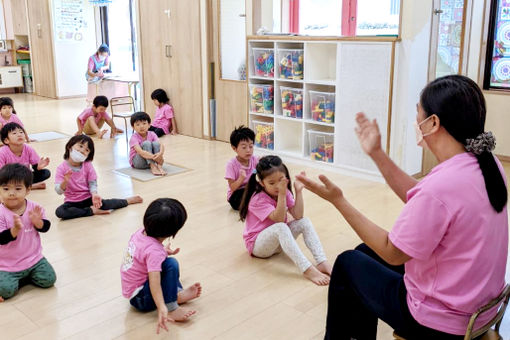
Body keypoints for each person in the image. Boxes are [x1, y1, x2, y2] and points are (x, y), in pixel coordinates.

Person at [297, 75, 508, 339]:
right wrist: (377, 153)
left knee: (348, 264)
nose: (416, 121)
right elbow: (425, 199)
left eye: (418, 113)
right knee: (365, 252)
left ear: (433, 123)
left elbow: (393, 252)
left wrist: (339, 200)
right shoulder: (487, 164)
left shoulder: (442, 185)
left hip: (442, 323)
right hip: (480, 309)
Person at [239, 155, 332, 286]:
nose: (277, 186)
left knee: (304, 222)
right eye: (271, 183)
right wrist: (282, 194)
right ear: (261, 183)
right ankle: (307, 269)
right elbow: (278, 219)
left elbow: (298, 215)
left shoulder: (283, 192)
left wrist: (298, 191)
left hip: (278, 243)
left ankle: (322, 262)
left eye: (280, 180)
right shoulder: (258, 199)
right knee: (281, 227)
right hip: (258, 246)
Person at [121, 198, 201, 334]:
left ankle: (176, 294)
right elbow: (154, 282)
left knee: (165, 263)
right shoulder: (154, 252)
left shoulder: (140, 233)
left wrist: (162, 251)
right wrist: (162, 307)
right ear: (172, 232)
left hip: (133, 292)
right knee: (171, 264)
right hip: (141, 299)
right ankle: (172, 306)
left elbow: (143, 255)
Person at [0, 163, 56, 301]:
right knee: (6, 291)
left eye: (18, 189)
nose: (11, 193)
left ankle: (24, 278)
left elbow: (46, 227)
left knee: (49, 280)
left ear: (28, 189)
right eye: (5, 189)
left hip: (34, 259)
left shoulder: (35, 208)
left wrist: (38, 223)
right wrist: (14, 230)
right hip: (7, 264)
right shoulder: (1, 213)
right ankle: (19, 279)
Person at [55, 135, 143, 220]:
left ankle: (127, 201)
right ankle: (92, 211)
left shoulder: (87, 165)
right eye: (80, 146)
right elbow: (58, 191)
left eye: (86, 150)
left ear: (88, 155)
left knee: (107, 203)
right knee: (60, 212)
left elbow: (92, 182)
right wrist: (65, 182)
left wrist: (94, 194)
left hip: (88, 199)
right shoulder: (61, 168)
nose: (82, 151)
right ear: (69, 146)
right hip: (72, 202)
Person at [0, 123, 50, 190]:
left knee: (46, 173)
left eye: (21, 132)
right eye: (14, 133)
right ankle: (31, 186)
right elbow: (2, 173)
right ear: (6, 140)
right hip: (9, 177)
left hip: (24, 176)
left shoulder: (28, 148)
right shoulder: (2, 152)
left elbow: (35, 166)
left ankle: (20, 186)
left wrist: (38, 167)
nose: (19, 135)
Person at [225, 126, 258, 210]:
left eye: (251, 146)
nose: (248, 150)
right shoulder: (231, 164)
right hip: (236, 194)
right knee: (244, 198)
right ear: (234, 148)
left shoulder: (255, 160)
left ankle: (255, 204)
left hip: (250, 190)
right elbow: (232, 187)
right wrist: (241, 178)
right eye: (244, 147)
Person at [129, 112, 166, 176]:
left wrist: (160, 154)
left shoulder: (152, 133)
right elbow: (140, 152)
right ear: (133, 127)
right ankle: (153, 166)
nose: (141, 126)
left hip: (150, 159)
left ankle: (159, 166)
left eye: (144, 123)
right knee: (147, 143)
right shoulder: (134, 137)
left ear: (149, 125)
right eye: (138, 125)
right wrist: (154, 157)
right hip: (138, 162)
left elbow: (161, 144)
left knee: (156, 144)